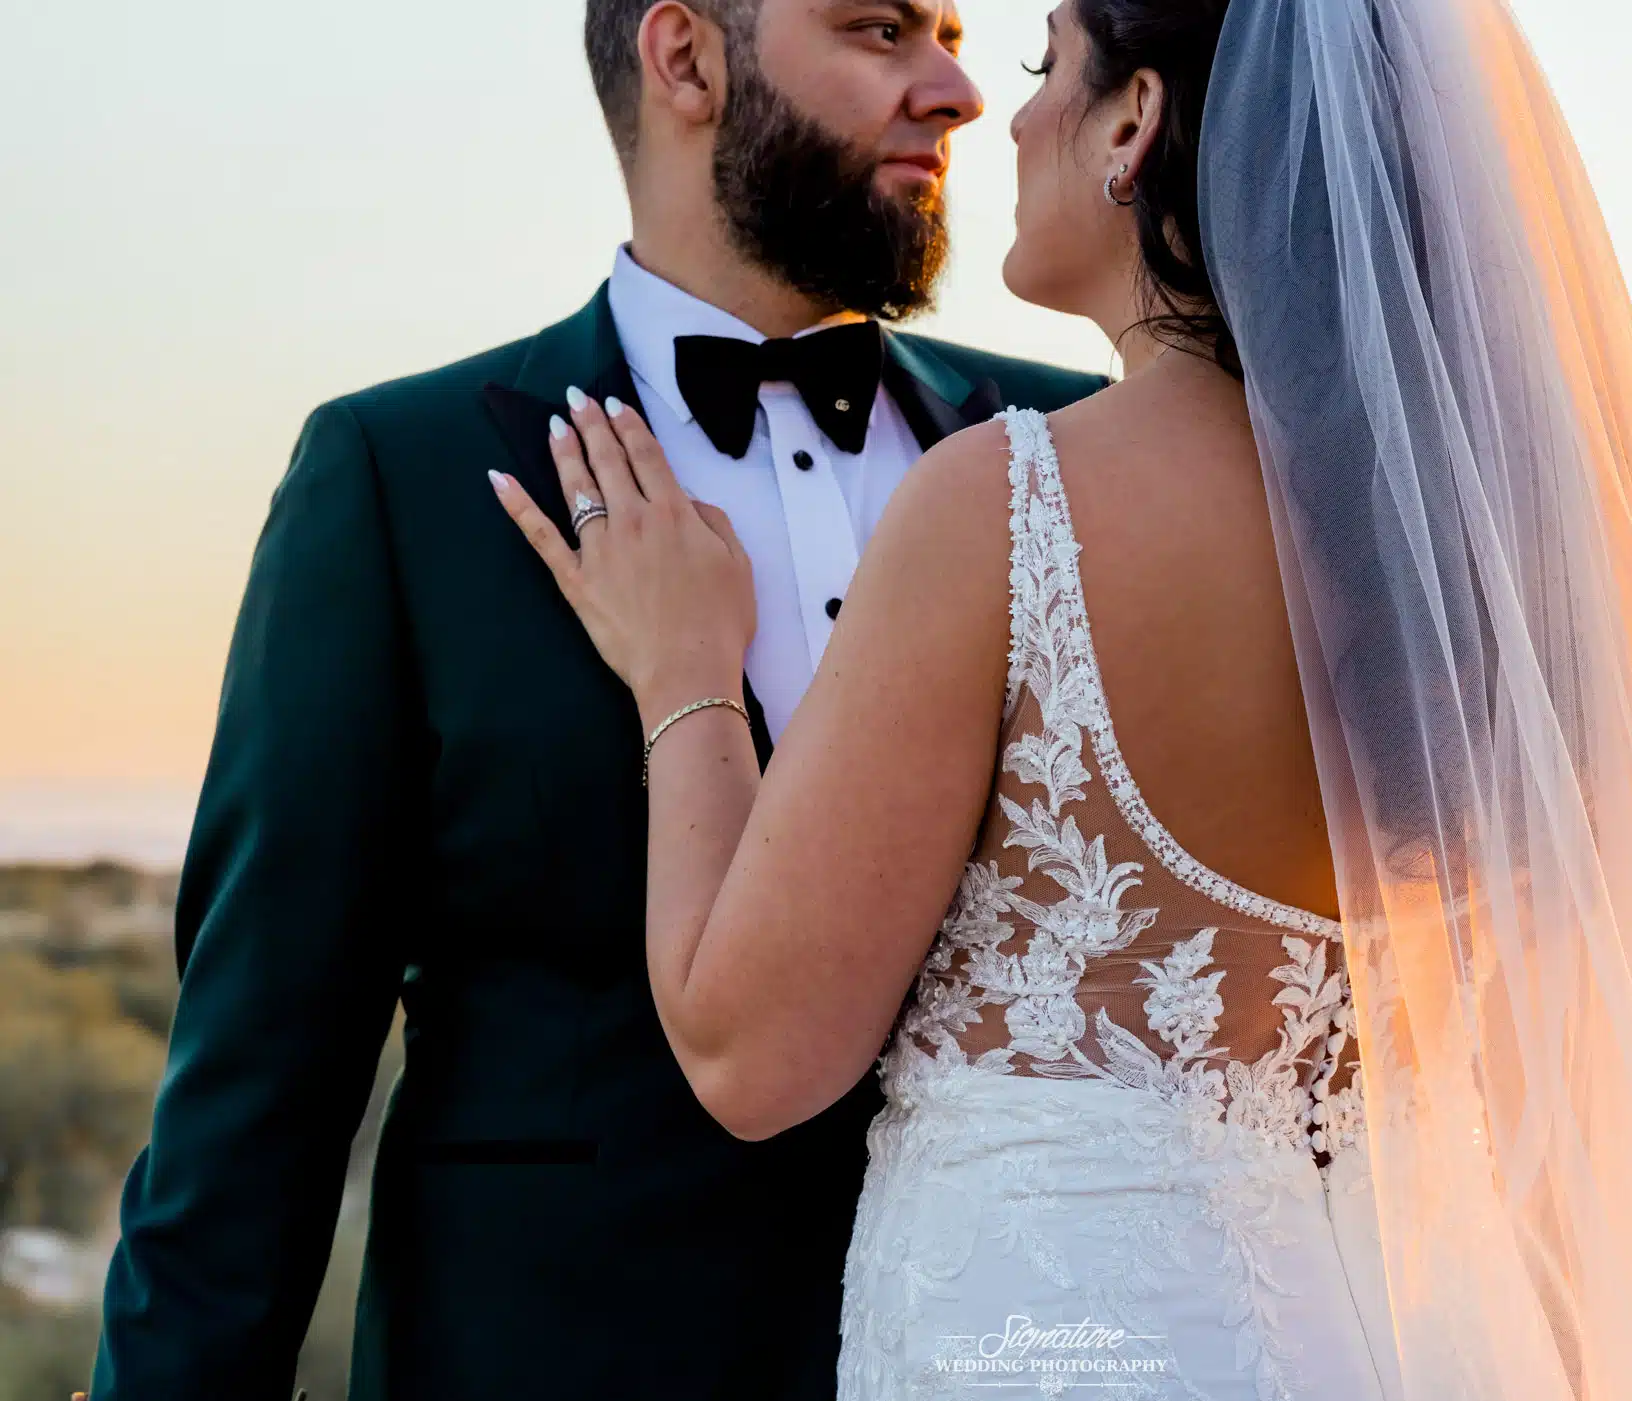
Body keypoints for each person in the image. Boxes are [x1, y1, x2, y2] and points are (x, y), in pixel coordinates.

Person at [497, 0, 1632, 1396]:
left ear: (1135, 121)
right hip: (1429, 1344)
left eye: (1046, 62)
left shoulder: (1010, 504)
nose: (1003, 114)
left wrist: (685, 672)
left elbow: (749, 1057)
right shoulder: (1486, 562)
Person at [89, 2, 1107, 1398]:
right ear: (685, 57)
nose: (954, 91)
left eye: (950, 32)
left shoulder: (1076, 451)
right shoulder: (399, 479)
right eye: (880, 29)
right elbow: (263, 1072)